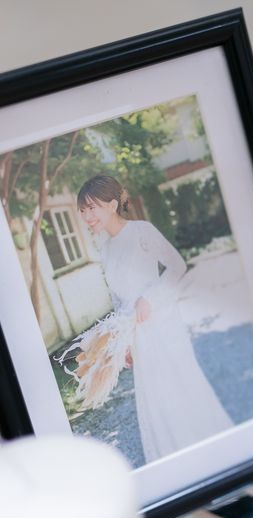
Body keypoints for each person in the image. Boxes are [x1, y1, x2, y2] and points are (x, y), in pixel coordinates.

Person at [77, 174, 233, 464]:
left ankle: (211, 454)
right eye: (82, 210)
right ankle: (176, 461)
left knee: (179, 384)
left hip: (162, 323)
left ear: (112, 204)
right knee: (156, 397)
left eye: (91, 207)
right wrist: (121, 342)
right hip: (136, 333)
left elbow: (177, 266)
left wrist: (150, 298)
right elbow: (117, 298)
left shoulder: (141, 231)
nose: (87, 216)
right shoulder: (105, 248)